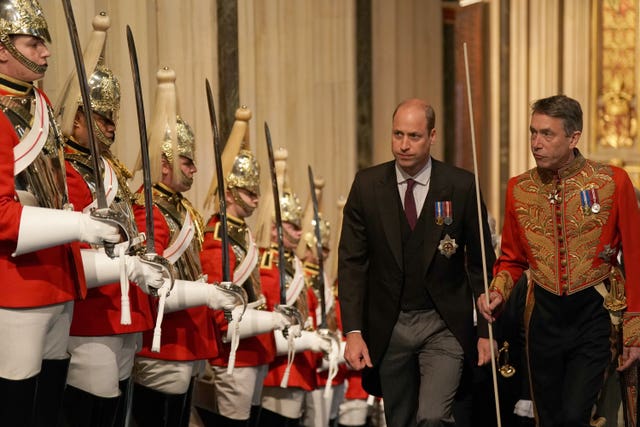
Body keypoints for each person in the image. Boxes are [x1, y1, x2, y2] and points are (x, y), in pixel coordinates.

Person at [477, 94, 640, 426]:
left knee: (574, 415)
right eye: (533, 133)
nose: (536, 143)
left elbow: (636, 258)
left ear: (573, 137)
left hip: (594, 314)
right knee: (549, 417)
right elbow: (511, 259)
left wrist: (634, 333)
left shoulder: (612, 182)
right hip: (543, 319)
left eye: (547, 134)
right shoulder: (518, 188)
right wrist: (498, 292)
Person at [339, 98, 496, 427]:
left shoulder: (462, 186)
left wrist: (486, 330)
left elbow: (481, 264)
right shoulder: (367, 186)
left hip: (443, 325)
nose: (404, 145)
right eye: (397, 135)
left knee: (433, 416)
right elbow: (352, 264)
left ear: (433, 136)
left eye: (414, 136)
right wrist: (352, 332)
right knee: (402, 420)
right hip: (389, 325)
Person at [0, 1, 121, 425]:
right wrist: (82, 224)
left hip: (58, 278)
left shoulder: (41, 104)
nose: (46, 53)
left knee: (47, 407)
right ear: (1, 50)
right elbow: (2, 216)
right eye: (34, 44)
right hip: (16, 284)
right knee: (17, 405)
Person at [57, 13, 165, 426]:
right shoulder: (64, 168)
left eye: (113, 118)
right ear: (79, 117)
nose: (112, 127)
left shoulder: (112, 171)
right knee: (92, 408)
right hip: (89, 307)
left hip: (124, 304)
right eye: (102, 118)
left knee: (117, 410)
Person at [129, 67, 240, 427]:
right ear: (163, 165)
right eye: (186, 161)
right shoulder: (149, 208)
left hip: (188, 343)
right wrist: (206, 294)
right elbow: (152, 286)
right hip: (164, 344)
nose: (194, 169)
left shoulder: (183, 210)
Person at [195, 107, 291, 427]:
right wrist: (273, 318)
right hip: (235, 353)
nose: (255, 200)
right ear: (233, 191)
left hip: (255, 349)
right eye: (250, 192)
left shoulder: (240, 235)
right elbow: (223, 314)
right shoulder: (218, 237)